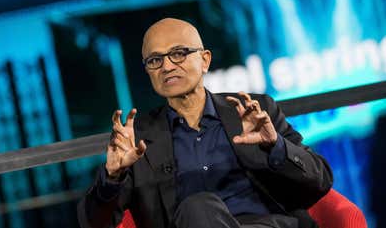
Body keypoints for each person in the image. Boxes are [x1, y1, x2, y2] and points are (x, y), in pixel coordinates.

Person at [78, 18, 332, 228]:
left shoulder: (254, 110)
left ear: (205, 60)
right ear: (148, 72)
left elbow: (320, 181)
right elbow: (94, 224)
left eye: (178, 53)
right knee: (197, 208)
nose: (167, 66)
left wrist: (276, 146)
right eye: (155, 60)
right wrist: (112, 179)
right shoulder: (138, 139)